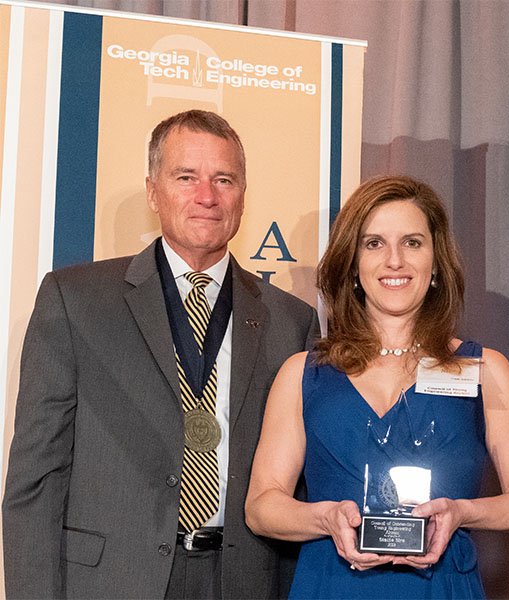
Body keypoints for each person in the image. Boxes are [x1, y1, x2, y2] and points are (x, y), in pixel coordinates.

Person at [2, 110, 319, 599]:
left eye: (224, 180)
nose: (206, 196)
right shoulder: (76, 299)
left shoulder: (291, 321)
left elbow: (299, 486)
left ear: (242, 196)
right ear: (153, 191)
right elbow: (36, 478)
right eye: (186, 177)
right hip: (111, 581)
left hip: (242, 581)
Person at [244, 175, 509, 599]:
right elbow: (261, 507)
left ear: (437, 262)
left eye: (412, 242)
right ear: (351, 265)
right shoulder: (301, 374)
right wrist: (327, 518)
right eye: (373, 243)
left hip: (441, 588)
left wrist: (461, 512)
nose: (394, 261)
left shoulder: (484, 370)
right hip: (330, 586)